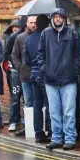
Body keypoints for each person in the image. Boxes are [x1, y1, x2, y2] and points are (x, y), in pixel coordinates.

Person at [37, 8, 80, 150]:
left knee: (69, 111)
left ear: (64, 18)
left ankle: (70, 138)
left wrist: (74, 69)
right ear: (52, 18)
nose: (57, 19)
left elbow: (79, 54)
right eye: (55, 17)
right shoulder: (45, 34)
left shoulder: (72, 33)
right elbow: (40, 54)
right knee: (54, 112)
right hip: (50, 80)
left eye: (60, 17)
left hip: (68, 80)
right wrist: (44, 70)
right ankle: (56, 138)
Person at [25, 14, 51, 143]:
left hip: (33, 74)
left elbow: (26, 59)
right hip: (44, 74)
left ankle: (38, 133)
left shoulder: (29, 39)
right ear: (47, 24)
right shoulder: (47, 37)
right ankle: (50, 131)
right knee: (49, 104)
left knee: (37, 104)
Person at [11, 15, 37, 133]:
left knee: (40, 102)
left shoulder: (42, 36)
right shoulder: (20, 38)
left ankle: (39, 128)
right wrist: (20, 68)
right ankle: (28, 128)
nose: (33, 25)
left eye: (35, 22)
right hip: (25, 76)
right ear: (26, 23)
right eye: (31, 22)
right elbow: (14, 55)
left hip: (39, 76)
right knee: (28, 102)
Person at [3, 18, 24, 94]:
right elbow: (5, 53)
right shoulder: (8, 37)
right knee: (13, 92)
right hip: (10, 67)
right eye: (13, 27)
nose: (15, 28)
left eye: (17, 27)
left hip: (21, 67)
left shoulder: (22, 37)